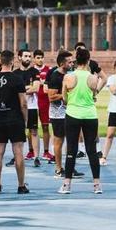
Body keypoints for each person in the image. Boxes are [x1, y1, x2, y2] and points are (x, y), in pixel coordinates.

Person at [58, 47, 103, 195]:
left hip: (73, 114)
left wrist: (71, 101)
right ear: (88, 61)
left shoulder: (68, 77)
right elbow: (94, 93)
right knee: (92, 150)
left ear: (76, 61)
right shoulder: (93, 78)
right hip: (90, 115)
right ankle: (97, 185)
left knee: (71, 149)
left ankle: (66, 185)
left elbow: (64, 98)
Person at [0, 50, 29, 194]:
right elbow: (23, 102)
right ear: (12, 62)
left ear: (1, 61)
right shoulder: (17, 79)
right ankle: (21, 185)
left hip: (0, 119)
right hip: (15, 118)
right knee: (18, 151)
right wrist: (25, 119)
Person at [47, 50, 81, 178]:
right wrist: (66, 95)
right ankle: (58, 168)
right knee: (59, 141)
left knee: (72, 141)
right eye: (69, 61)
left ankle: (70, 167)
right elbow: (51, 97)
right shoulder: (55, 76)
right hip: (58, 114)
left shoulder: (71, 75)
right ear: (62, 63)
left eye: (72, 61)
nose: (72, 63)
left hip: (70, 112)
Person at [13, 49, 42, 167]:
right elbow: (13, 90)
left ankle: (36, 157)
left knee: (33, 131)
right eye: (25, 56)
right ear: (19, 57)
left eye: (29, 56)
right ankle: (17, 157)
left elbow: (36, 88)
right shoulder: (14, 73)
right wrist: (27, 88)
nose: (28, 58)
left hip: (32, 107)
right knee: (18, 132)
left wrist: (21, 90)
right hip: (18, 107)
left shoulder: (34, 71)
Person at [34, 49, 54, 161]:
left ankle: (46, 152)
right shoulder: (31, 70)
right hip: (33, 101)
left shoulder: (49, 70)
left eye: (41, 57)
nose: (40, 59)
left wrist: (42, 83)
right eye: (38, 57)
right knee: (32, 128)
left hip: (45, 101)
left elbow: (51, 82)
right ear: (34, 58)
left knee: (45, 126)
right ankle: (31, 151)